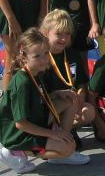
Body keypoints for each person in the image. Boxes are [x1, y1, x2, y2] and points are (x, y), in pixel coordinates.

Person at [0, 28, 89, 173]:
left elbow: (38, 97)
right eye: (37, 56)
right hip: (18, 134)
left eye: (46, 53)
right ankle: (16, 152)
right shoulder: (22, 83)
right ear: (24, 56)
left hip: (35, 119)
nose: (44, 59)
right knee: (67, 148)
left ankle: (60, 148)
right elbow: (20, 123)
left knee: (70, 100)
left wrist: (58, 93)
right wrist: (52, 134)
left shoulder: (37, 71)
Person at [40, 9, 96, 149]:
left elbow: (81, 82)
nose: (64, 39)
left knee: (88, 111)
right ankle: (57, 139)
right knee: (68, 101)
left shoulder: (71, 54)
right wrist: (62, 96)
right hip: (47, 106)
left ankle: (66, 130)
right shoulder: (41, 57)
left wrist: (81, 94)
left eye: (67, 34)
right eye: (58, 34)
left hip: (70, 103)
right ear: (46, 33)